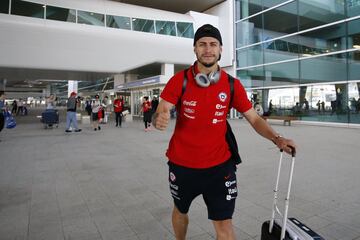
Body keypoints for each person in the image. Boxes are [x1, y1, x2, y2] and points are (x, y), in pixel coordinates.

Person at [152, 24, 296, 240]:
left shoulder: (231, 85)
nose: (208, 49)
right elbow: (162, 109)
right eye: (202, 44)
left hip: (220, 167)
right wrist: (159, 117)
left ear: (220, 50)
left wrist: (277, 138)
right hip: (182, 165)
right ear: (195, 49)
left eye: (213, 44)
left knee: (225, 225)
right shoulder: (179, 80)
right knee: (180, 210)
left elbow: (254, 118)